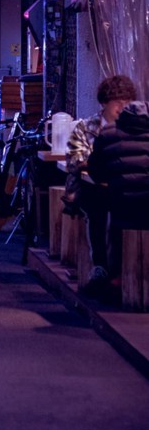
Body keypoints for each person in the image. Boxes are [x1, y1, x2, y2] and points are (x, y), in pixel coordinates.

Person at [62, 74, 137, 298]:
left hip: (124, 188)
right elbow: (75, 160)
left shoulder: (135, 127)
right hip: (89, 188)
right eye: (118, 103)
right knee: (99, 206)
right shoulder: (86, 127)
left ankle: (121, 270)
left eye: (128, 103)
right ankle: (101, 267)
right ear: (104, 102)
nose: (122, 108)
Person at [87, 100, 149, 291]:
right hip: (147, 201)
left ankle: (111, 274)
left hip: (120, 201)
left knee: (101, 212)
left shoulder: (107, 133)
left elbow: (95, 170)